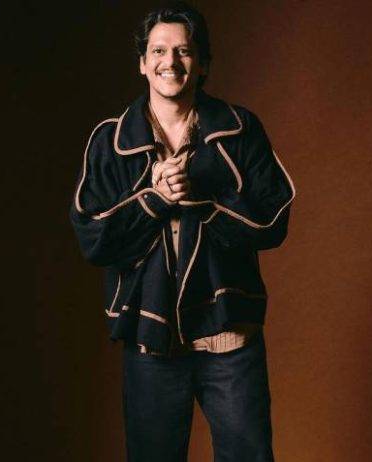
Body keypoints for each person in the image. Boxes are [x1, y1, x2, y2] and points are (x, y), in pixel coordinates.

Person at [69, 2, 296, 460]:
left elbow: (274, 221)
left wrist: (203, 200)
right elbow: (94, 239)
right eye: (158, 50)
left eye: (184, 51)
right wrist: (154, 199)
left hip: (229, 337)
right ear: (142, 62)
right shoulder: (109, 139)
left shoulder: (241, 129)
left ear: (203, 64)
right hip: (150, 340)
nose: (169, 62)